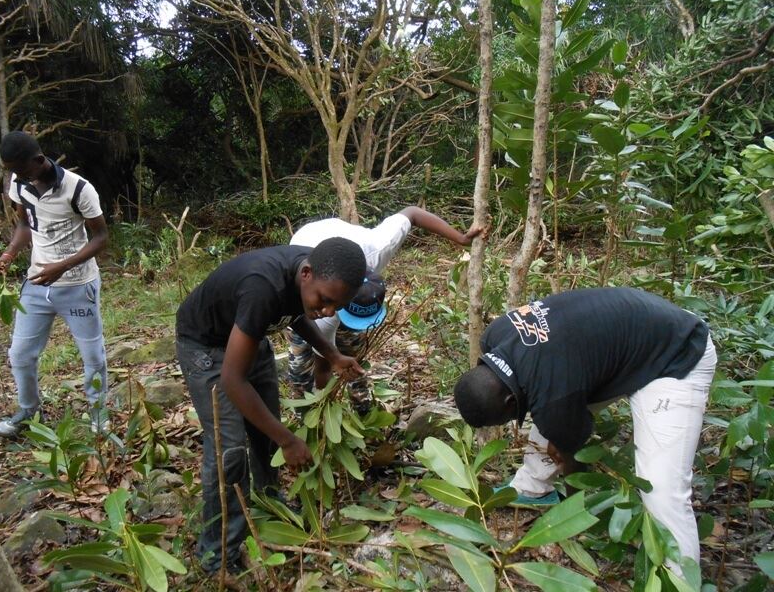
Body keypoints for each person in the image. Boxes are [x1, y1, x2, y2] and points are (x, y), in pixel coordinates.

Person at [453, 287, 716, 573]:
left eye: (505, 419)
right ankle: (533, 487)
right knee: (550, 408)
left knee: (661, 488)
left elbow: (577, 471)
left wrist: (575, 516)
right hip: (628, 335)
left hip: (676, 352)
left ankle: (679, 576)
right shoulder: (494, 335)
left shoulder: (554, 393)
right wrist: (559, 435)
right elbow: (547, 394)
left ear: (508, 401)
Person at [175, 237, 366, 572]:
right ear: (306, 274)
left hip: (248, 336)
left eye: (337, 306)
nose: (328, 311)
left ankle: (267, 503)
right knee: (229, 448)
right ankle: (218, 552)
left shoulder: (307, 275)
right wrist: (289, 440)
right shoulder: (262, 286)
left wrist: (332, 354)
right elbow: (233, 380)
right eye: (325, 301)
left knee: (265, 425)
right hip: (206, 347)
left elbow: (296, 313)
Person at [287, 206, 483, 411]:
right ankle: (305, 414)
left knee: (353, 355)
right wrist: (325, 404)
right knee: (301, 366)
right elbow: (324, 361)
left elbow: (412, 213)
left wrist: (460, 238)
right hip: (305, 270)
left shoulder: (379, 248)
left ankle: (363, 409)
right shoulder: (320, 309)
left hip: (342, 249)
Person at [0, 131, 110, 437]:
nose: (18, 177)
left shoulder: (79, 189)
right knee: (20, 354)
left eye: (21, 169)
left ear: (39, 160)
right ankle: (29, 411)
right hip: (36, 285)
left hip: (77, 285)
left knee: (93, 358)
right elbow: (24, 224)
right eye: (13, 172)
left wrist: (64, 266)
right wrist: (9, 253)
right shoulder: (19, 184)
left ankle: (99, 419)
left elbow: (100, 237)